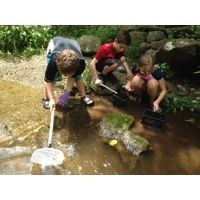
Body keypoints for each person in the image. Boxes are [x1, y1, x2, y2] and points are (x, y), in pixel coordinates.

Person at [42, 36, 94, 110]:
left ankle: (83, 96)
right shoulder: (53, 61)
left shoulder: (81, 63)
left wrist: (66, 93)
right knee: (51, 77)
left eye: (69, 74)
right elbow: (47, 80)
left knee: (78, 77)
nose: (66, 76)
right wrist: (52, 99)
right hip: (54, 43)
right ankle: (46, 98)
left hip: (73, 44)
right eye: (64, 74)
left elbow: (73, 77)